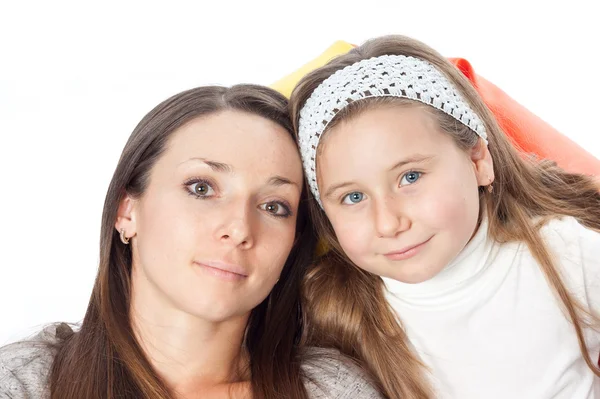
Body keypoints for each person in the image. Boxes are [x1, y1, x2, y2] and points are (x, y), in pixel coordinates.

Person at [0, 85, 382, 399]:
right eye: (201, 188)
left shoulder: (332, 390)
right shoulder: (21, 384)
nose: (239, 228)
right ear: (127, 211)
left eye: (274, 206)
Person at [290, 35, 600, 398]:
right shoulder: (330, 313)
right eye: (353, 196)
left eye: (410, 177)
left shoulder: (565, 253)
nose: (389, 223)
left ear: (477, 161)